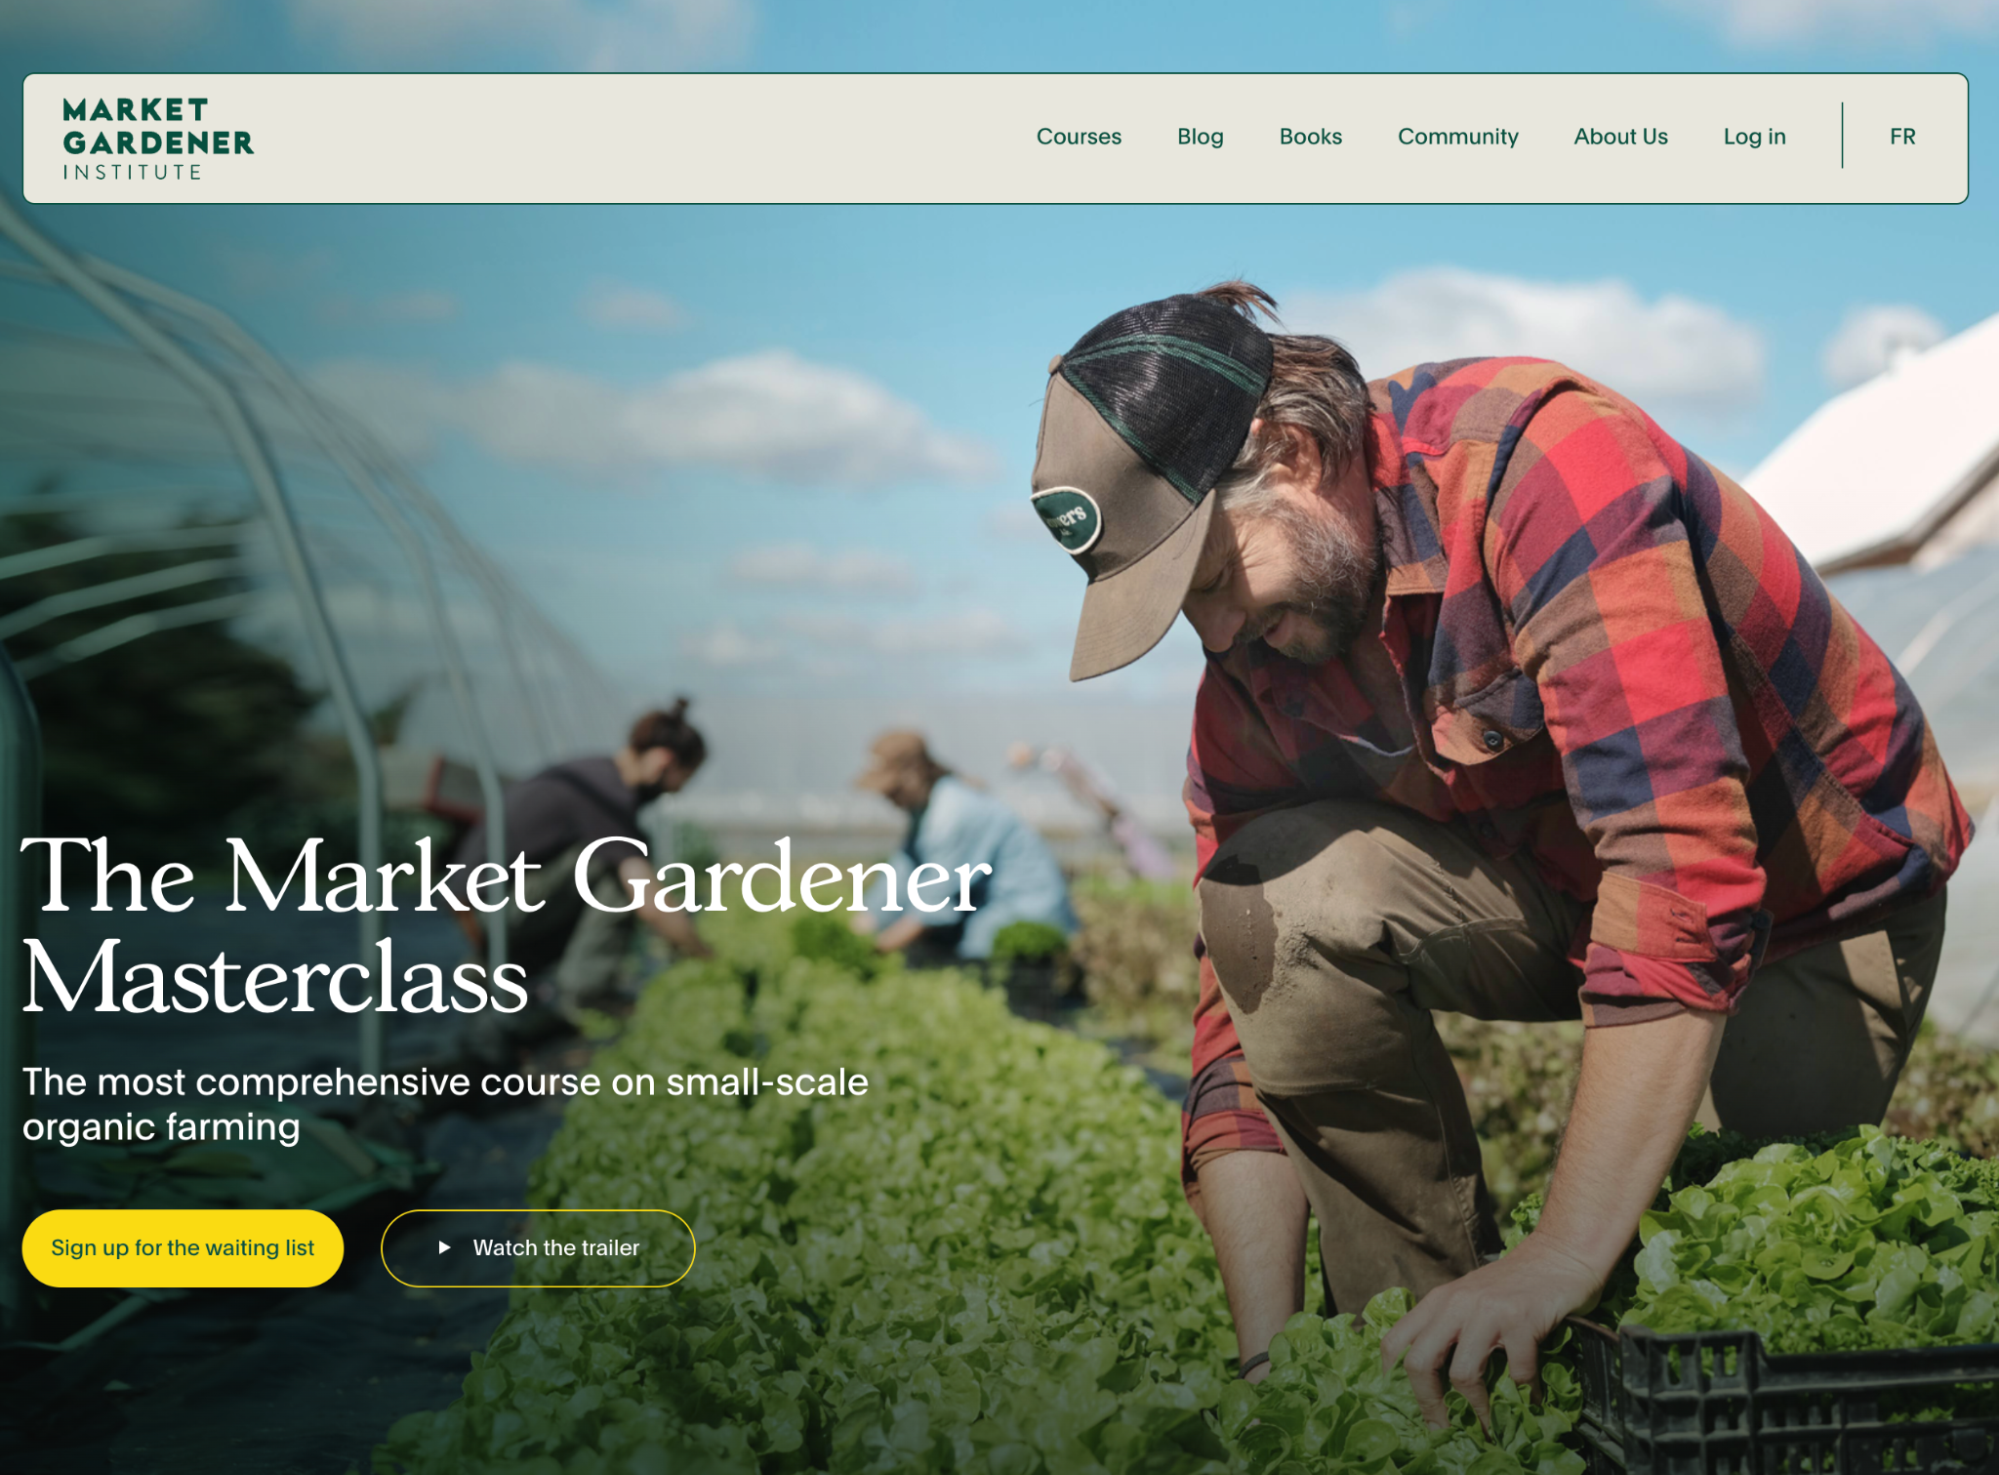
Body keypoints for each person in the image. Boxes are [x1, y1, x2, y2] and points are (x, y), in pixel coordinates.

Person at [1025, 283, 1970, 1415]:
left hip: (1807, 890)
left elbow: (1683, 870)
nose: (1218, 632)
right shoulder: (1262, 662)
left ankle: (1552, 1295)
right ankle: (1423, 1370)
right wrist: (1267, 1367)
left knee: (1707, 1272)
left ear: (1283, 449)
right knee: (1260, 896)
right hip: (1562, 894)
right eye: (1187, 608)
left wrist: (1564, 1256)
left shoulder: (1541, 463)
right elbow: (1230, 1035)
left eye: (1215, 579)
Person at [458, 699, 713, 1058]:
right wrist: (703, 955)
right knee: (615, 864)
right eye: (681, 780)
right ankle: (588, 995)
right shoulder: (605, 794)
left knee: (620, 855)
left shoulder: (593, 777)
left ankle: (503, 978)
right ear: (663, 761)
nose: (677, 791)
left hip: (491, 904)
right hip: (493, 908)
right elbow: (651, 905)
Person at [850, 730, 1078, 964]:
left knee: (967, 957)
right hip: (987, 914)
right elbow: (900, 875)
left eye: (891, 789)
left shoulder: (952, 814)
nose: (887, 797)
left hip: (1026, 917)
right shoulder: (924, 811)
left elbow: (933, 907)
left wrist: (874, 951)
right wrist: (859, 929)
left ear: (913, 776)